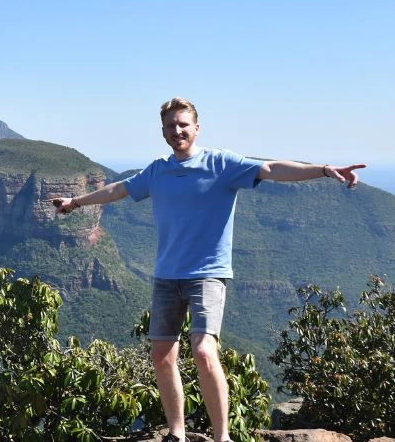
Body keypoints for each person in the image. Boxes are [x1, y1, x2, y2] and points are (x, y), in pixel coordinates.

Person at [51, 97, 365, 442]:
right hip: (167, 275)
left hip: (208, 273)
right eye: (171, 126)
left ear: (197, 128)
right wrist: (76, 202)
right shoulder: (158, 170)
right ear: (163, 132)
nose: (177, 130)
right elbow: (120, 188)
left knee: (203, 351)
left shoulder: (221, 163)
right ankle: (177, 432)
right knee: (161, 354)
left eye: (183, 124)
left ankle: (222, 437)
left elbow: (273, 169)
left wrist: (323, 170)